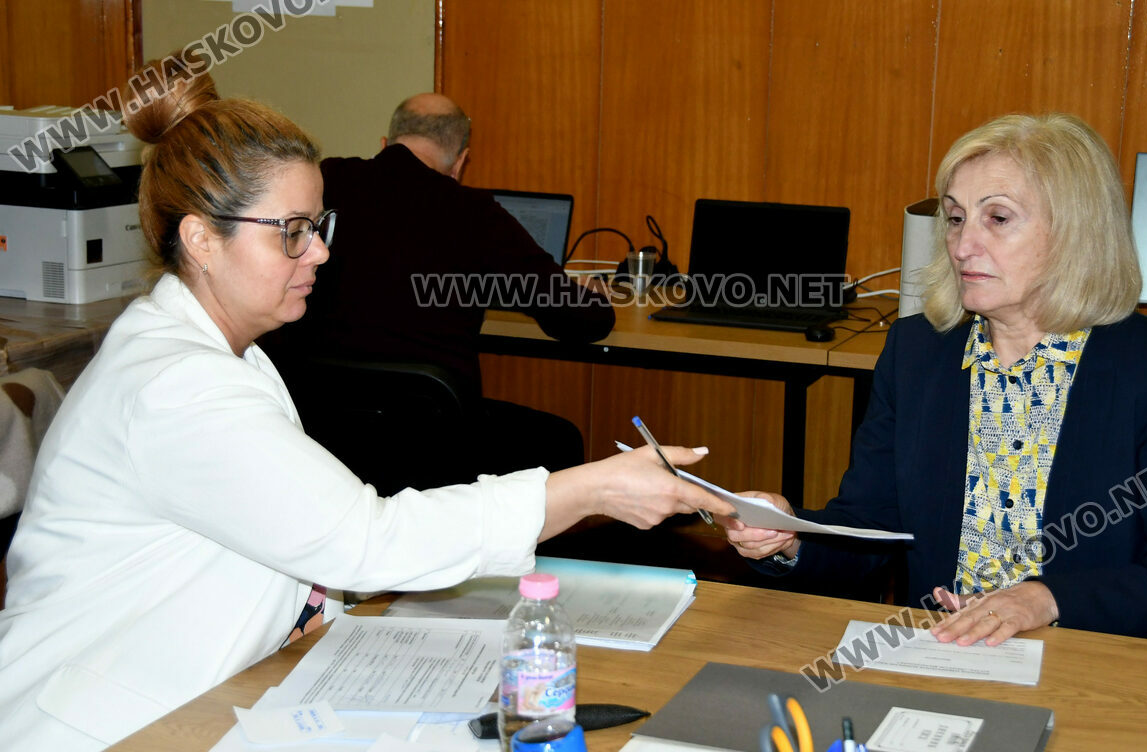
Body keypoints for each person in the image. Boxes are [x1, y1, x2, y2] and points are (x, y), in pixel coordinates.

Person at [0, 58, 732, 751]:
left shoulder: (216, 352)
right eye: (293, 233)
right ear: (202, 240)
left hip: (188, 692)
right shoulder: (176, 387)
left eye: (320, 227)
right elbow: (364, 540)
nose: (320, 252)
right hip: (102, 726)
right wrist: (593, 487)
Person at [723, 113, 1147, 646]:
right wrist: (792, 537)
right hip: (941, 654)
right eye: (955, 218)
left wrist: (1047, 598)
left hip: (1084, 660)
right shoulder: (917, 353)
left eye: (998, 218)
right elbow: (870, 535)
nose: (963, 245)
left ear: (1075, 233)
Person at [263, 93, 612, 491]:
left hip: (315, 430)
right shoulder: (475, 214)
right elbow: (586, 321)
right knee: (560, 439)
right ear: (461, 161)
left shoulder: (322, 183)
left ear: (385, 144)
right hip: (435, 444)